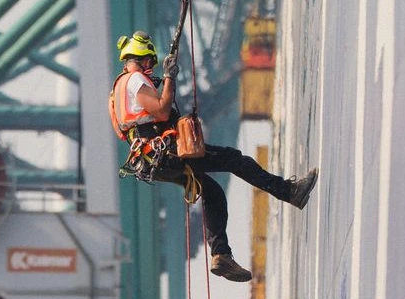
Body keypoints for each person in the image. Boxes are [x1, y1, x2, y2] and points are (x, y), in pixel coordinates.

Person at [109, 30, 318, 282]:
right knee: (233, 159)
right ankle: (289, 192)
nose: (151, 68)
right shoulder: (134, 80)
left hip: (153, 162)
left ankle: (221, 255)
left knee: (212, 192)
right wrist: (169, 78)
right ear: (141, 57)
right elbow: (163, 112)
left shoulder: (117, 91)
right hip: (165, 153)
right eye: (150, 62)